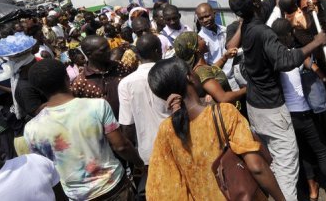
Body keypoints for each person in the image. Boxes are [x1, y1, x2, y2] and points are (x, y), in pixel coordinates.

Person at [228, 0, 326, 201]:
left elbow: (268, 3)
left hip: (255, 106)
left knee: (272, 157)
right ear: (252, 5)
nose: (258, 0)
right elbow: (286, 61)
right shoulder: (263, 32)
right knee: (286, 164)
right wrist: (316, 42)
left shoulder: (249, 25)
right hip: (272, 110)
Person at [146, 58, 285, 201]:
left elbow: (161, 188)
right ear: (189, 77)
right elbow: (257, 166)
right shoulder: (224, 113)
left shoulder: (167, 130)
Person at [24, 59, 143, 200]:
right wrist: (139, 163)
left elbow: (45, 169)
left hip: (77, 196)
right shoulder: (98, 106)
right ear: (67, 78)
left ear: (38, 90)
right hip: (113, 187)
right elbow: (121, 146)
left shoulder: (31, 129)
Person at [271, 19, 326, 201]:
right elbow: (313, 66)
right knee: (322, 151)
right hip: (303, 113)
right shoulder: (295, 54)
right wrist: (324, 78)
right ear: (289, 35)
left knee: (304, 151)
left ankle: (313, 190)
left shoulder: (273, 58)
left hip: (287, 117)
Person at [118, 35, 170, 200]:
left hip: (147, 152)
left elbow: (127, 126)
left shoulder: (126, 83)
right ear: (157, 51)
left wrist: (134, 160)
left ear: (137, 54)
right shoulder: (170, 73)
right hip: (177, 142)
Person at [174, 32, 246, 104]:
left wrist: (225, 57)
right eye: (201, 39)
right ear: (196, 49)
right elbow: (223, 98)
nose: (204, 40)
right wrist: (247, 89)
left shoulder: (202, 67)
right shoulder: (201, 71)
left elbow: (213, 70)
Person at [71, 36, 134, 118]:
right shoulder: (80, 83)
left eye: (109, 48)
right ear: (89, 54)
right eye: (103, 50)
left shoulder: (121, 67)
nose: (109, 51)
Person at [196, 2, 238, 86]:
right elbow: (205, 68)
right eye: (201, 18)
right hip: (220, 81)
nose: (205, 20)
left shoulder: (225, 30)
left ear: (214, 13)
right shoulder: (201, 40)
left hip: (236, 76)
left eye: (207, 16)